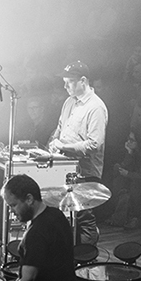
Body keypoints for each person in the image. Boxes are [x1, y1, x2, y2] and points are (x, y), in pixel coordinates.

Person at [47, 60, 108, 244]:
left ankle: (86, 258)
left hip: (85, 173)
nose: (65, 86)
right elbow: (59, 128)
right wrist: (52, 143)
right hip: (64, 168)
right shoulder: (69, 102)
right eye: (64, 81)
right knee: (66, 215)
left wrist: (62, 146)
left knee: (83, 218)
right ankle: (70, 255)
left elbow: (94, 144)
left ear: (83, 81)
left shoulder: (96, 107)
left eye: (70, 82)